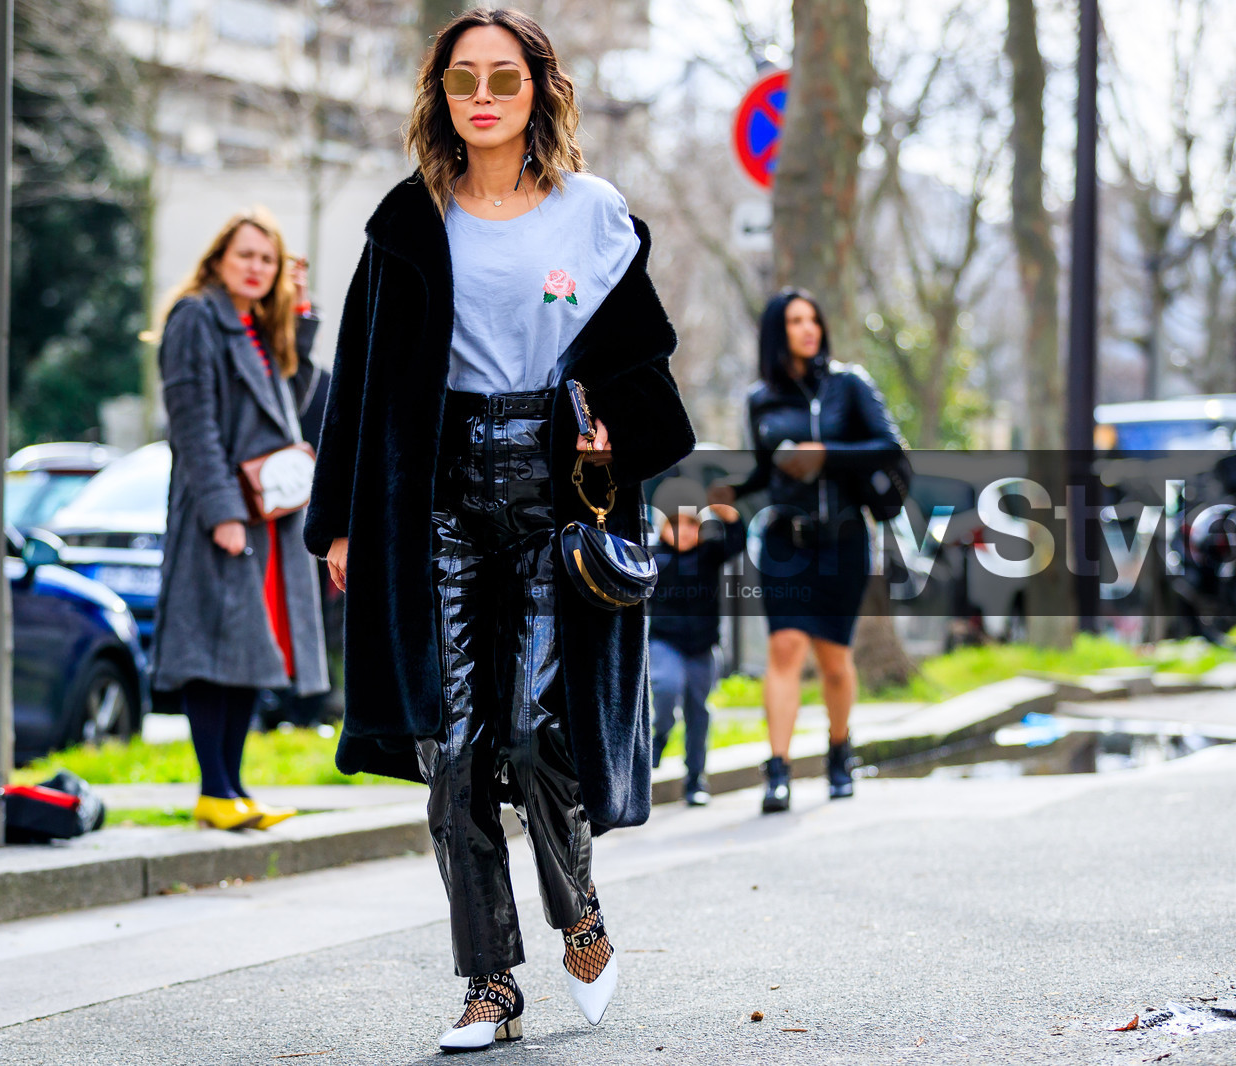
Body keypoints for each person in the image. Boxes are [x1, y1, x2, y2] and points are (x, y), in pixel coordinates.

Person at [303, 8, 693, 1052]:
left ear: (537, 92)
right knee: (454, 747)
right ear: (440, 94)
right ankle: (489, 984)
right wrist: (338, 521)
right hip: (436, 496)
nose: (482, 95)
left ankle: (579, 909)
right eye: (463, 78)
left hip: (552, 492)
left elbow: (643, 365)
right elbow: (361, 379)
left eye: (503, 78)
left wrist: (613, 426)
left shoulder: (593, 213)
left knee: (532, 730)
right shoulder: (408, 220)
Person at [152, 209, 330, 832]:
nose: (256, 267)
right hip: (222, 512)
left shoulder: (255, 324)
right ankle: (215, 790)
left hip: (265, 515)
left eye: (267, 259)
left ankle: (232, 789)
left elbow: (288, 408)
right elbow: (192, 424)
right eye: (246, 255)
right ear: (218, 259)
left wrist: (300, 321)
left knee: (253, 647)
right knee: (213, 649)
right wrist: (222, 514)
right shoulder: (196, 317)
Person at [712, 288, 904, 815]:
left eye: (812, 319)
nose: (808, 329)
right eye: (795, 321)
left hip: (844, 540)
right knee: (785, 647)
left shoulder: (849, 384)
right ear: (779, 332)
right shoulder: (761, 400)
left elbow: (889, 446)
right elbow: (766, 468)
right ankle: (777, 771)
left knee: (834, 661)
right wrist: (733, 490)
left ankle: (840, 752)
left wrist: (826, 453)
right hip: (785, 542)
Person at [646, 477, 744, 807]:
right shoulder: (653, 559)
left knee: (698, 712)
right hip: (665, 643)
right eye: (674, 524)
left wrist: (730, 517)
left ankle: (695, 779)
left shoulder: (709, 554)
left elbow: (736, 543)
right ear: (661, 528)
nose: (683, 532)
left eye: (691, 524)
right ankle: (659, 734)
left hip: (703, 648)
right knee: (666, 687)